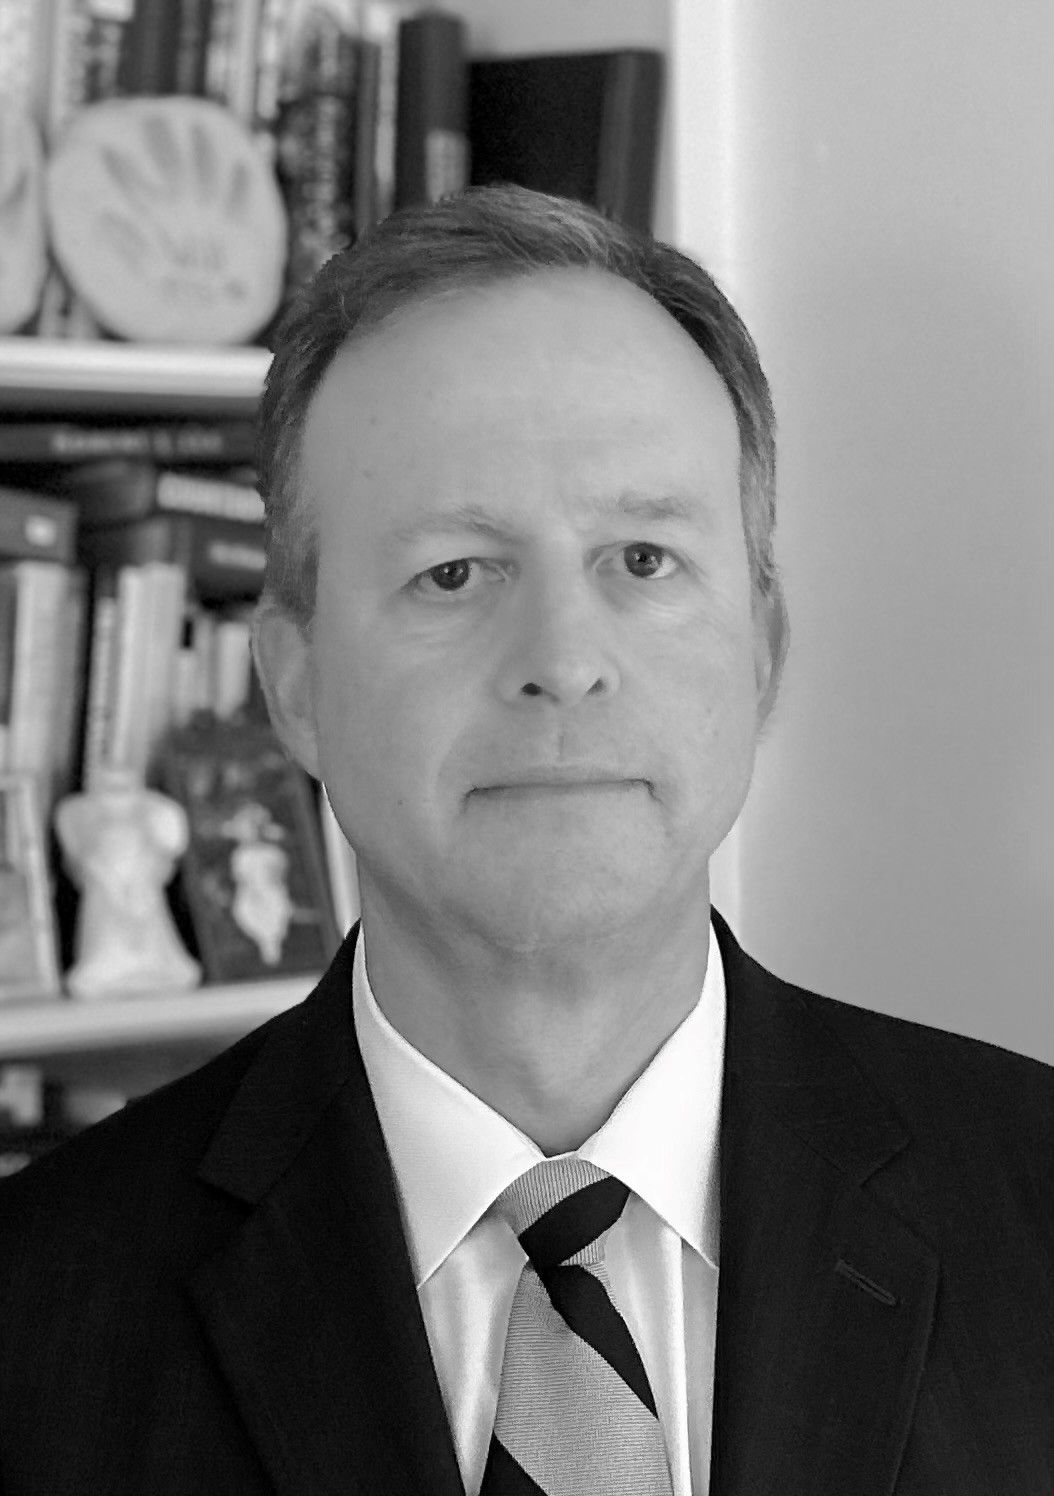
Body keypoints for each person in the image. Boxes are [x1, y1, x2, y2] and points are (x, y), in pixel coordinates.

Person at [0, 185, 1050, 1496]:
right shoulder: (33, 1316)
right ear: (295, 686)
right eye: (454, 572)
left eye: (643, 559)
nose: (562, 662)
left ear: (763, 652)